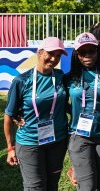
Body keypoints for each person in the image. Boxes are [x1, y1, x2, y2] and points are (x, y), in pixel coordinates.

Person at [4, 37, 68, 190]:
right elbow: (8, 115)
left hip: (57, 141)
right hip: (30, 143)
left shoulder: (60, 77)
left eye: (58, 55)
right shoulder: (21, 81)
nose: (54, 58)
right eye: (50, 53)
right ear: (39, 53)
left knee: (52, 185)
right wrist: (10, 148)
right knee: (35, 187)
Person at [65, 32, 100, 191]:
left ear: (98, 52)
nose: (87, 55)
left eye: (91, 51)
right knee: (87, 186)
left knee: (98, 182)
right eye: (82, 52)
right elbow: (54, 102)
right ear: (76, 54)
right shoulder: (69, 78)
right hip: (78, 136)